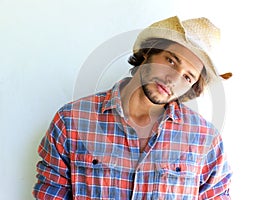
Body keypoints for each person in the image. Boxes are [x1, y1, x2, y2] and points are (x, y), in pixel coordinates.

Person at [33, 16, 232, 199]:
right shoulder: (71, 121)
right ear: (148, 53)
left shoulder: (206, 140)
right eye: (170, 60)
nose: (172, 79)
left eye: (187, 77)